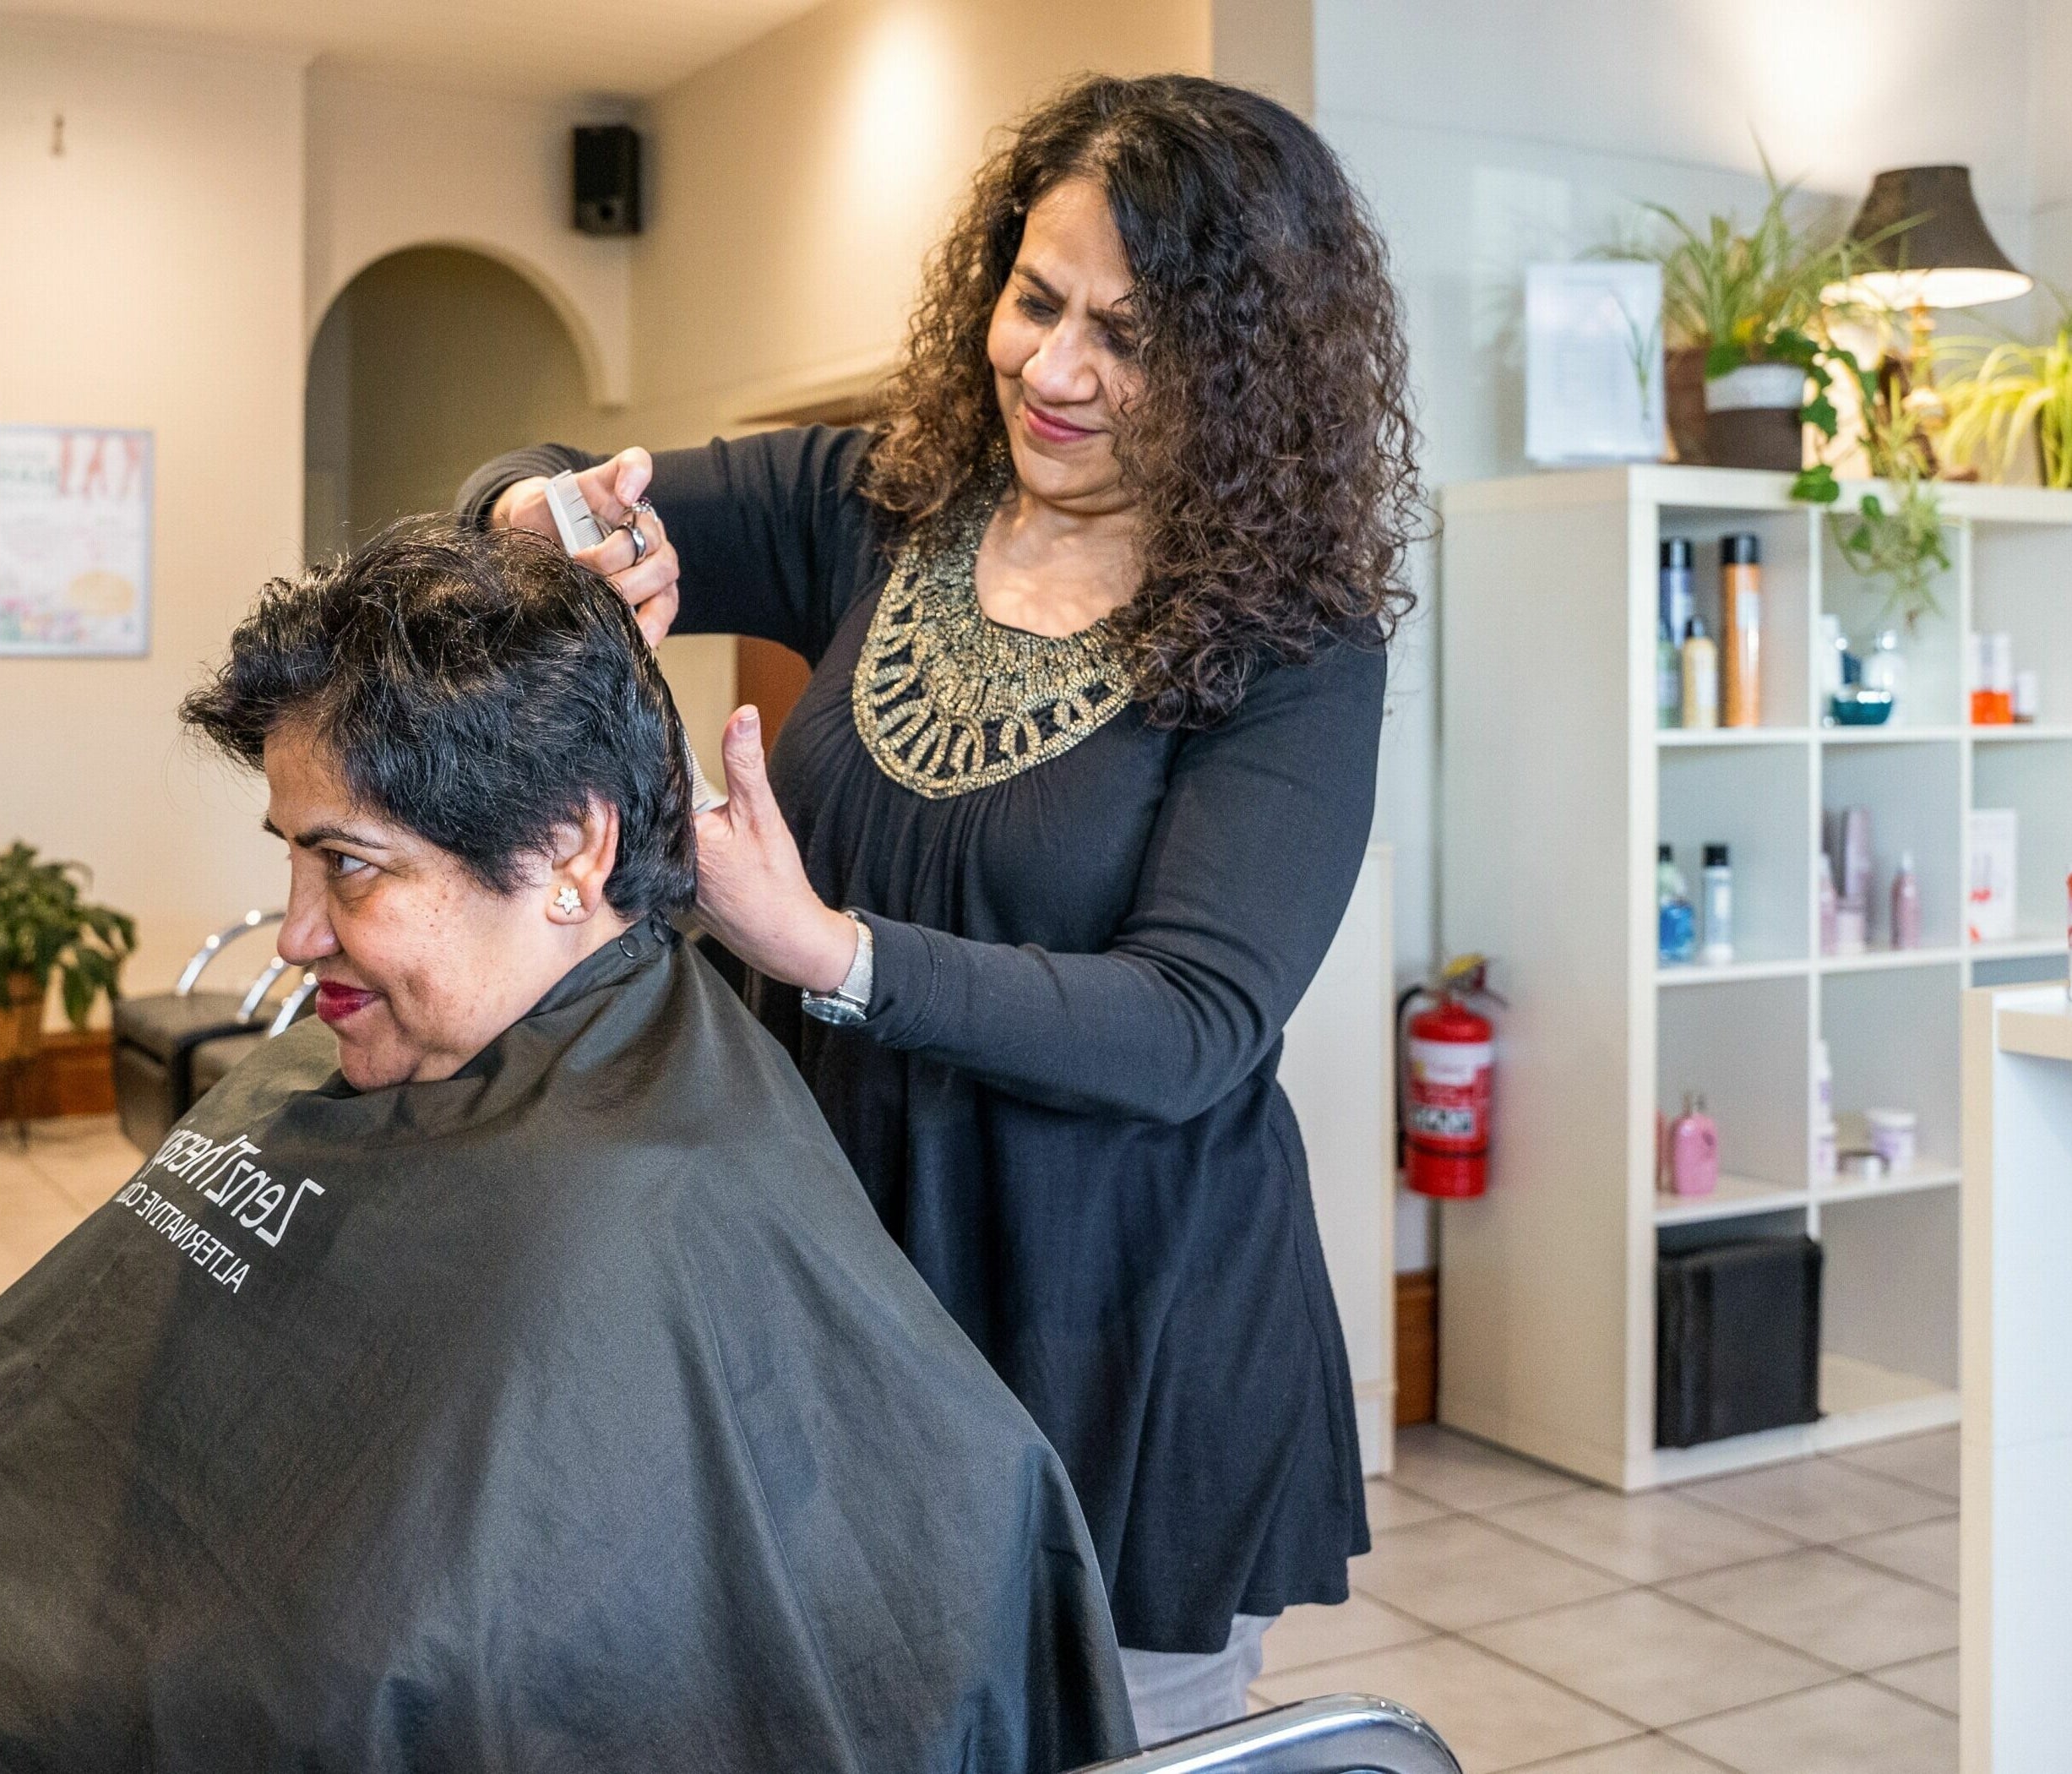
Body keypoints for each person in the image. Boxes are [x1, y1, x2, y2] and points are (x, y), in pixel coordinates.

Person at [0, 521, 1135, 1773]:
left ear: (570, 850)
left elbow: (409, 1661)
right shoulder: (338, 1069)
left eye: (351, 867)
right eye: (293, 857)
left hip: (155, 1683)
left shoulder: (649, 1201)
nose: (293, 934)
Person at [462, 73, 1422, 1743]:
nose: (1053, 369)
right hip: (839, 1296)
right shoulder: (877, 503)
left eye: (1127, 336)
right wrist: (556, 528)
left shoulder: (1293, 643)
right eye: (1035, 301)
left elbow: (1191, 1025)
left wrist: (824, 950)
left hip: (1114, 1339)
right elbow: (539, 476)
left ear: (1243, 367)